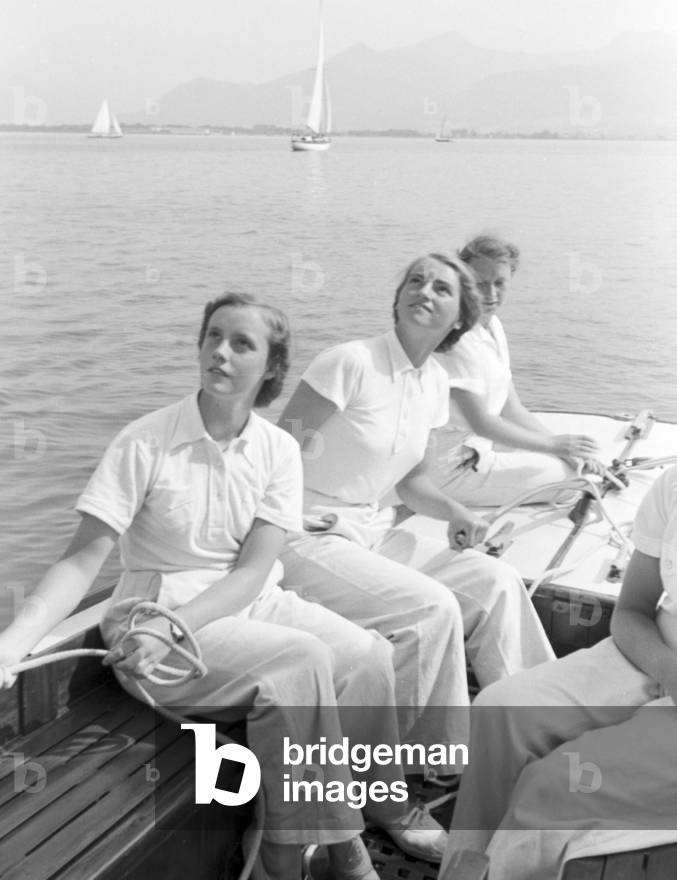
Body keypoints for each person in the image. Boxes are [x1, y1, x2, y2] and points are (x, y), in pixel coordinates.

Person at [0, 292, 447, 880]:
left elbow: (251, 573)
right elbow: (81, 563)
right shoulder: (145, 441)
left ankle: (382, 801)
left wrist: (177, 627)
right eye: (213, 336)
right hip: (151, 617)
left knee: (367, 656)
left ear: (271, 368)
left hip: (242, 603)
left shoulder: (279, 450)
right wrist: (12, 643)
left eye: (242, 343)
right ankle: (311, 855)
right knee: (301, 663)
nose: (221, 352)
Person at [278, 254, 554, 733]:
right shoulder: (349, 363)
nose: (424, 291)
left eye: (441, 289)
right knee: (432, 608)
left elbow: (413, 482)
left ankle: (535, 726)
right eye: (416, 281)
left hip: (369, 529)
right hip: (304, 535)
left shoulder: (434, 383)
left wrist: (455, 512)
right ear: (399, 296)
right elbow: (274, 456)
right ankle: (418, 766)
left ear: (461, 319)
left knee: (497, 582)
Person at [441, 466, 677, 880]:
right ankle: (468, 868)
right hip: (654, 651)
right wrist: (664, 666)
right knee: (501, 708)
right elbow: (632, 612)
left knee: (556, 786)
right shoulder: (672, 484)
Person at [429, 235, 599, 507]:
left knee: (567, 461)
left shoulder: (492, 325)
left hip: (480, 447)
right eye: (480, 284)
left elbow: (511, 408)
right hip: (451, 468)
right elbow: (481, 423)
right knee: (572, 481)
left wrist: (561, 448)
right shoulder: (455, 339)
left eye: (499, 283)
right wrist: (556, 448)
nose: (491, 294)